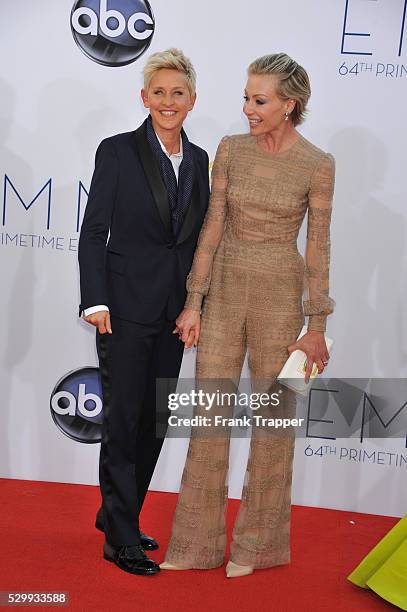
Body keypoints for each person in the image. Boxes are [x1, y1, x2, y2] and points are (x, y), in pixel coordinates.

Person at [161, 52, 335, 577]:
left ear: (290, 105)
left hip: (283, 295)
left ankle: (257, 548)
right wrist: (194, 301)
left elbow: (319, 249)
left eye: (259, 101)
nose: (248, 109)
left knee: (274, 423)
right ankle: (195, 545)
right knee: (208, 417)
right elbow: (212, 229)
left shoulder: (317, 163)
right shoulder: (231, 150)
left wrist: (317, 327)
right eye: (246, 98)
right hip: (225, 291)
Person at [78, 48, 210, 576]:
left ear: (193, 100)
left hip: (173, 316)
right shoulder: (117, 151)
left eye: (178, 92)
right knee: (124, 419)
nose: (169, 101)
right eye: (159, 92)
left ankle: (119, 515)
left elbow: (197, 240)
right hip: (124, 310)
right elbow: (93, 231)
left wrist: (194, 305)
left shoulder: (200, 161)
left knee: (153, 422)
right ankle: (121, 538)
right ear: (144, 97)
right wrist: (96, 298)